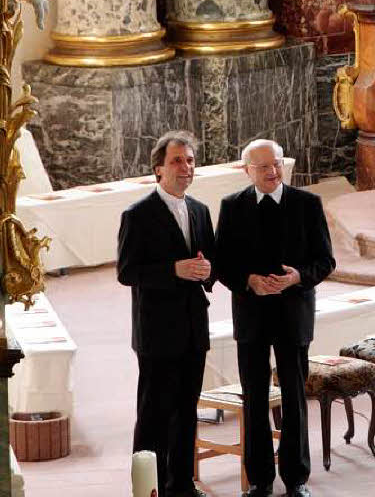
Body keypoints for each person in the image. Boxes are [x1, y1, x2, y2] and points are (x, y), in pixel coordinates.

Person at [215, 139, 335, 497]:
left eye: (277, 164)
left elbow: (325, 261)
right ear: (246, 170)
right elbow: (222, 264)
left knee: (294, 397)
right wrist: (249, 281)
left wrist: (297, 277)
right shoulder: (232, 206)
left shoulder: (306, 203)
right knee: (253, 397)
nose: (272, 172)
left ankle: (296, 478)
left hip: (293, 313)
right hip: (251, 315)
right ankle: (260, 480)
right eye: (263, 167)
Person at [117, 130, 215, 497]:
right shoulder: (137, 215)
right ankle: (148, 489)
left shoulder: (200, 211)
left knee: (187, 412)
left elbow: (210, 262)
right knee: (154, 415)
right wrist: (174, 269)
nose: (185, 167)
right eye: (177, 161)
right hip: (157, 332)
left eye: (190, 161)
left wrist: (208, 272)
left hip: (193, 328)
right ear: (158, 169)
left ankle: (181, 486)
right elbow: (127, 272)